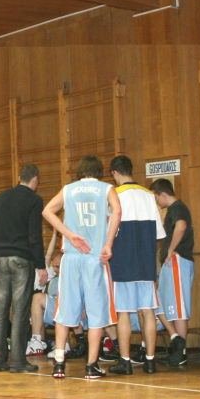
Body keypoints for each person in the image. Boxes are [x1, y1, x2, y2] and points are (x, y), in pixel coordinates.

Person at [42, 155, 121, 379]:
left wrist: (69, 234)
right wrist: (108, 243)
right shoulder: (106, 189)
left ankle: (59, 363)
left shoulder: (69, 189)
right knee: (97, 313)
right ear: (100, 172)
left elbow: (47, 211)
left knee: (64, 311)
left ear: (80, 172)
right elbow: (117, 212)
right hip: (95, 257)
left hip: (71, 257)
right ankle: (91, 365)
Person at [108, 156, 165, 376]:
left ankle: (125, 361)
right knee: (148, 311)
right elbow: (158, 234)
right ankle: (150, 361)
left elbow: (108, 231)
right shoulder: (149, 196)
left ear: (114, 173)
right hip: (145, 262)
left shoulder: (114, 195)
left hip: (123, 261)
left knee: (123, 312)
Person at [0, 165, 48, 373]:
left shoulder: (2, 197)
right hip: (21, 258)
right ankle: (17, 361)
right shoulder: (34, 200)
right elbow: (34, 235)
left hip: (0, 257)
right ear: (35, 179)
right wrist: (40, 264)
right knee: (21, 310)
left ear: (19, 177)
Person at [151, 178, 195, 366]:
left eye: (156, 198)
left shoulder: (178, 207)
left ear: (162, 194)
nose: (156, 202)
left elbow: (181, 226)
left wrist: (171, 249)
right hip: (171, 264)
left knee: (178, 308)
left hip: (177, 261)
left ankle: (180, 352)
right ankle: (176, 340)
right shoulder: (173, 209)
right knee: (161, 305)